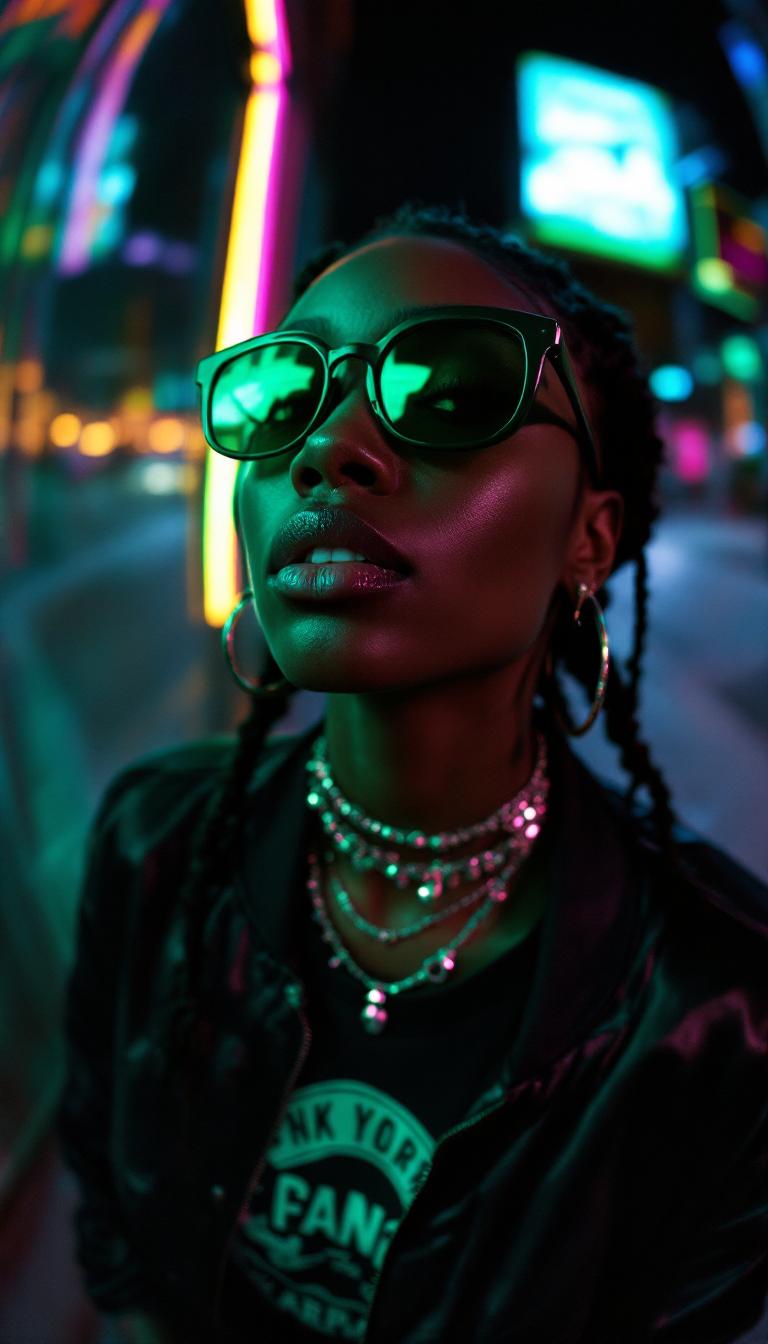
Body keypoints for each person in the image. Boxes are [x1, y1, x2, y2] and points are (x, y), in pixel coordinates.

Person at [57, 202, 768, 1344]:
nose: (325, 449)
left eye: (447, 392)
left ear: (590, 536)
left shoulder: (728, 1009)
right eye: (280, 396)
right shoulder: (152, 843)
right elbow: (114, 1219)